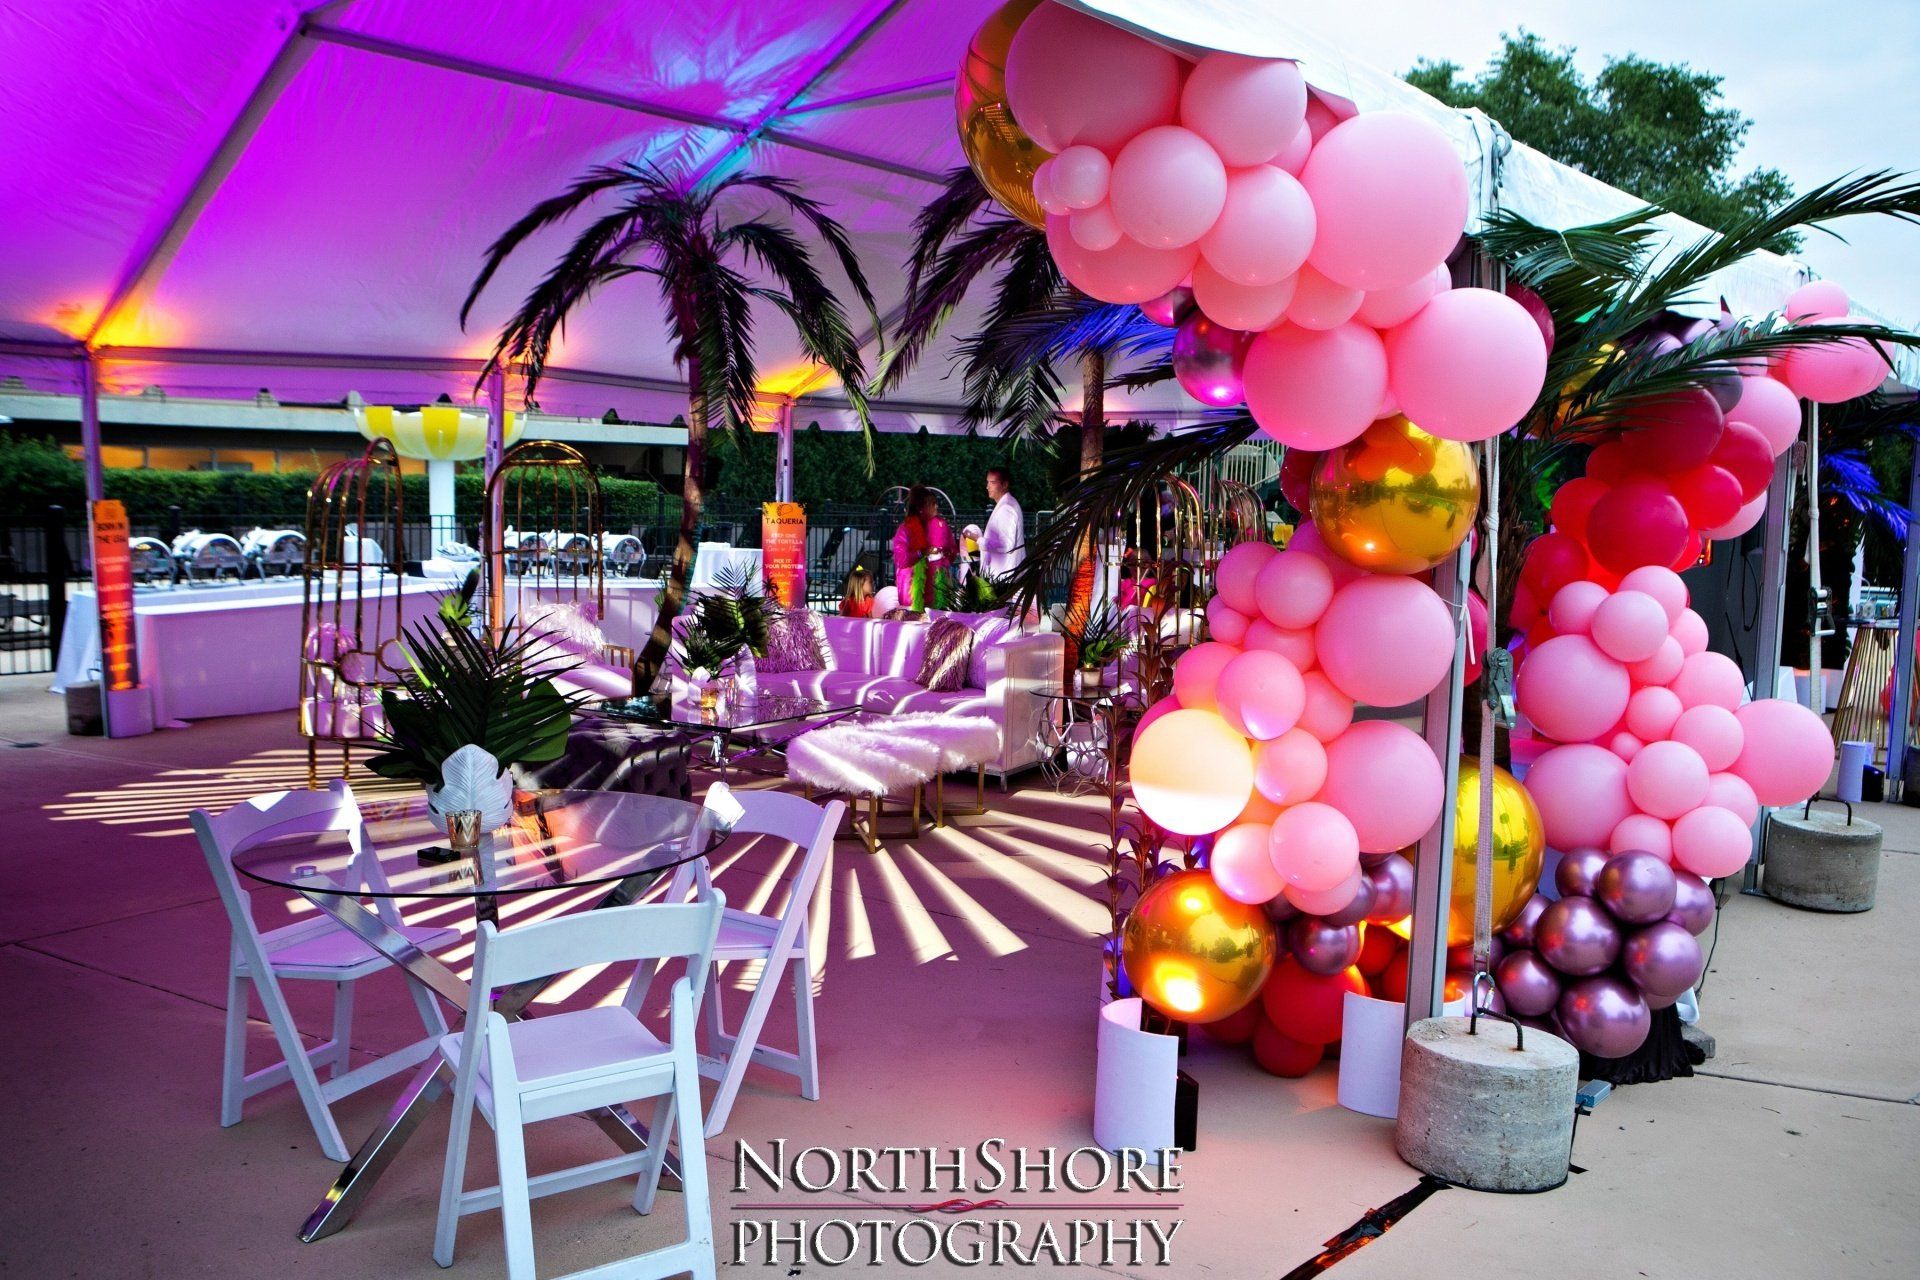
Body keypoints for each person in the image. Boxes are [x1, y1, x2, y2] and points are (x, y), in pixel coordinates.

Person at [892, 485, 956, 611]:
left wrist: (945, 553)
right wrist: (922, 553)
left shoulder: (941, 525)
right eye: (931, 504)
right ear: (921, 508)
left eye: (936, 503)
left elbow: (952, 551)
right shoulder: (906, 529)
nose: (936, 507)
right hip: (913, 591)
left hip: (936, 591)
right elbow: (901, 559)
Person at [981, 466, 1025, 580]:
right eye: (987, 482)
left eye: (992, 482)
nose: (987, 487)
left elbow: (1006, 545)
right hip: (1002, 576)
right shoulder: (1005, 505)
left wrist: (979, 540)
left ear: (1005, 484)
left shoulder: (1007, 508)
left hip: (1005, 578)